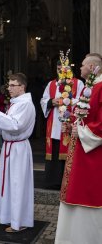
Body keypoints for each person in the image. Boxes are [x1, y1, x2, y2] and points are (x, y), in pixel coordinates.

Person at [55, 53, 102, 243]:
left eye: (82, 65)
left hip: (92, 155)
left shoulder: (100, 88)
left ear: (92, 68)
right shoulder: (91, 87)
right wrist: (71, 124)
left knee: (87, 191)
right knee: (74, 189)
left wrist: (81, 131)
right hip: (80, 150)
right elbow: (83, 116)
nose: (79, 67)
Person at [0, 73, 35, 232]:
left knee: (17, 184)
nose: (9, 88)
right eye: (9, 85)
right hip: (11, 148)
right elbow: (6, 125)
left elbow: (16, 125)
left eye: (13, 85)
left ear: (22, 87)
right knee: (10, 184)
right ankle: (9, 217)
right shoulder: (16, 103)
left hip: (18, 149)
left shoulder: (25, 104)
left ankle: (19, 222)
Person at [40, 61, 84, 189]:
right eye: (58, 68)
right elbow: (44, 100)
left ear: (69, 69)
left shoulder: (78, 83)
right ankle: (53, 181)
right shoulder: (51, 84)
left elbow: (82, 101)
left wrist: (66, 101)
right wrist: (51, 102)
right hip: (54, 123)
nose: (60, 71)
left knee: (69, 149)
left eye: (63, 68)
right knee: (54, 149)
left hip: (69, 123)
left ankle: (69, 182)